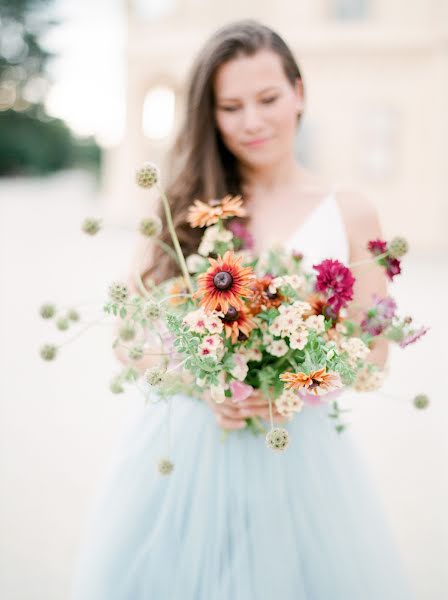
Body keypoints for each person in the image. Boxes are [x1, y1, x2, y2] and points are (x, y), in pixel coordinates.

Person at [71, 19, 414, 599]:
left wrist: (287, 381)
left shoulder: (353, 213)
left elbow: (375, 359)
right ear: (211, 115)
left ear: (299, 93)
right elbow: (126, 339)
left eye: (268, 99)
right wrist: (202, 377)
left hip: (299, 461)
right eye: (231, 107)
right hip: (183, 457)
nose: (252, 121)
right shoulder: (183, 205)